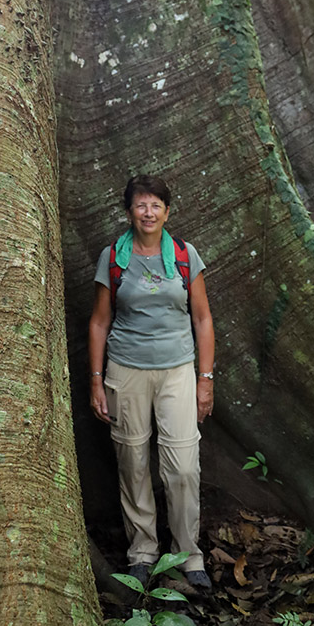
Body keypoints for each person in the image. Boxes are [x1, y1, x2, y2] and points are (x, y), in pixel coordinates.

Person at [89, 174, 215, 589]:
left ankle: (187, 555)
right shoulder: (113, 257)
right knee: (133, 462)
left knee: (182, 466)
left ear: (167, 211)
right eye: (141, 205)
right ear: (129, 212)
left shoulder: (183, 254)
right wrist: (95, 381)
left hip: (178, 369)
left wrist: (205, 379)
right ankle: (142, 551)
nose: (148, 212)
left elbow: (202, 318)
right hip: (125, 370)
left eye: (155, 205)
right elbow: (100, 322)